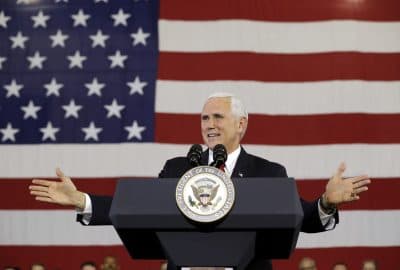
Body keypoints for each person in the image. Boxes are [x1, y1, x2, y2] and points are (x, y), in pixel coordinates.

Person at [29, 93, 371, 270]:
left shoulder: (269, 171)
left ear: (241, 124)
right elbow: (139, 209)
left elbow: (302, 218)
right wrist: (83, 201)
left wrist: (327, 202)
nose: (209, 124)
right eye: (204, 117)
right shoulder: (178, 167)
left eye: (218, 117)